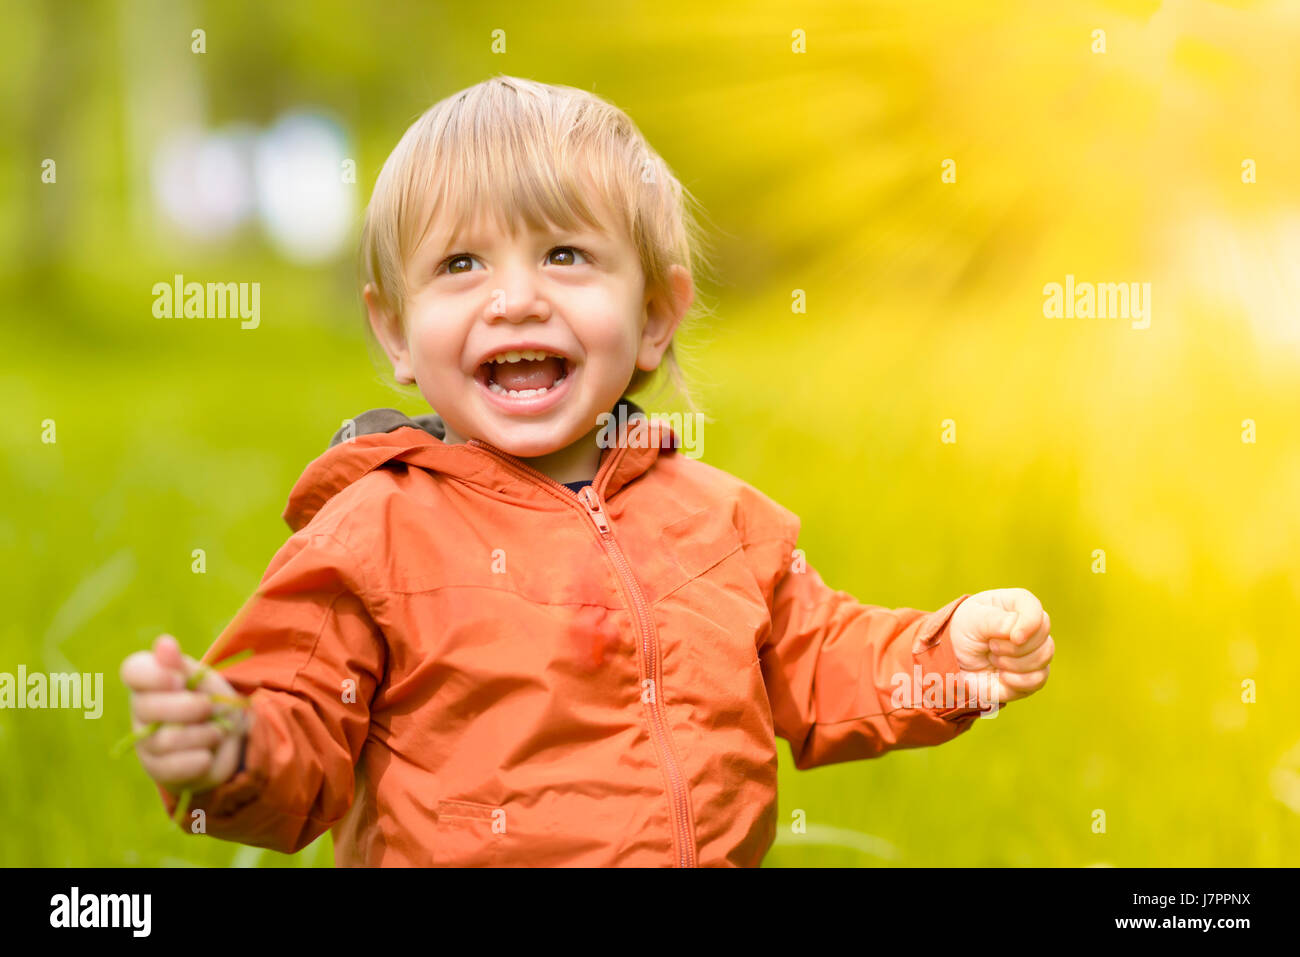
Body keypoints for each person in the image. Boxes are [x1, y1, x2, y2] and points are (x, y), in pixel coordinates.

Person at [120, 75, 1054, 867]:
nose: (516, 298)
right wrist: (231, 745)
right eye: (460, 263)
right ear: (396, 331)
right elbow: (300, 734)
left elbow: (826, 664)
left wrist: (947, 657)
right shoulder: (373, 533)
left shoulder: (723, 523)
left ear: (655, 315)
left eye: (565, 255)